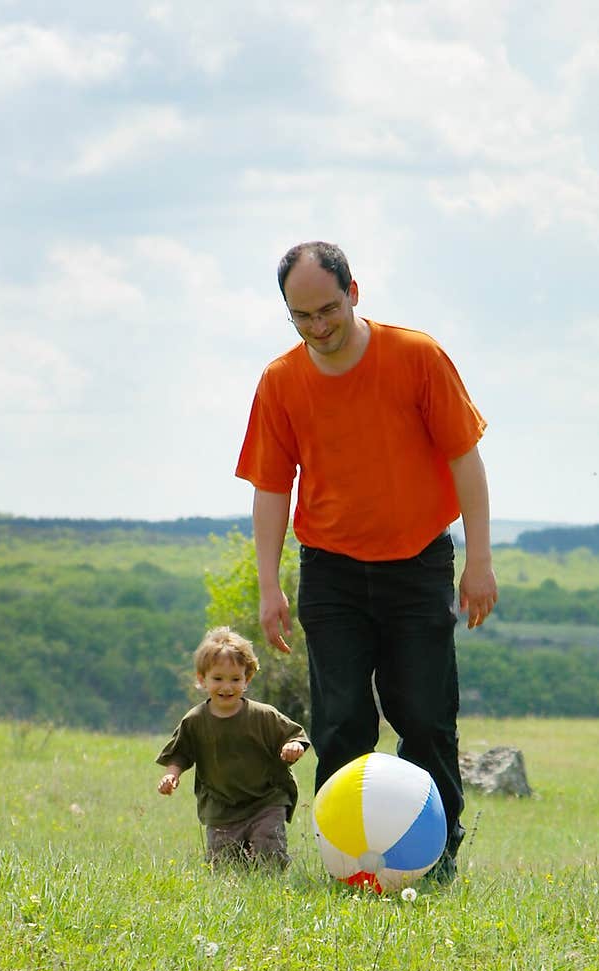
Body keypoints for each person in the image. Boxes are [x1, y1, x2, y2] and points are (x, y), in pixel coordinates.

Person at [235, 241, 497, 883]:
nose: (318, 326)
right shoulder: (280, 381)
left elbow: (466, 460)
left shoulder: (417, 356)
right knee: (343, 721)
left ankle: (437, 857)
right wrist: (270, 587)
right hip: (331, 573)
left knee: (425, 719)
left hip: (417, 566)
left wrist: (480, 562)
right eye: (302, 316)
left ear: (354, 293)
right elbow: (272, 490)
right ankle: (342, 859)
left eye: (328, 309)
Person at [156, 625, 309, 868]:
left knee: (269, 850)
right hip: (221, 808)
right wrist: (171, 776)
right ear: (201, 679)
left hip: (266, 801)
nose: (226, 687)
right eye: (218, 679)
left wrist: (293, 747)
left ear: (246, 679)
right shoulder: (195, 721)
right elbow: (180, 753)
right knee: (226, 868)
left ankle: (270, 887)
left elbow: (295, 736)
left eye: (235, 679)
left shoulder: (263, 716)